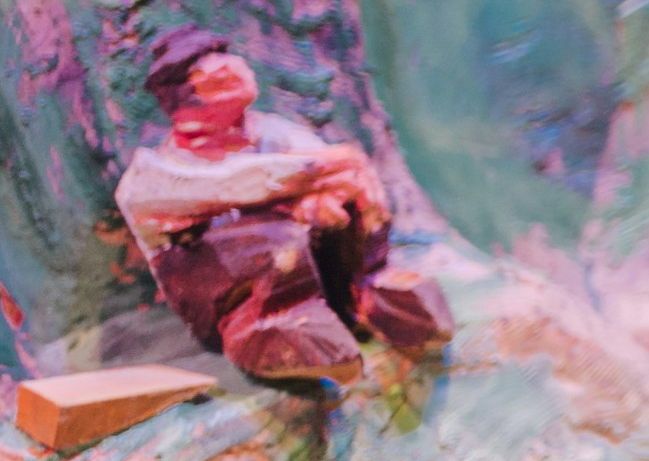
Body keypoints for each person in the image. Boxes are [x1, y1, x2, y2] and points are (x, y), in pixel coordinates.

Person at [112, 30, 451, 387]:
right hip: (233, 300)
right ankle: (270, 328)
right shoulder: (157, 175)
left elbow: (329, 181)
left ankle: (371, 292)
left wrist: (321, 201)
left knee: (341, 206)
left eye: (234, 72)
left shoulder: (273, 133)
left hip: (316, 276)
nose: (231, 78)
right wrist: (321, 173)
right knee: (273, 235)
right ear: (181, 103)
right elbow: (232, 184)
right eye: (217, 81)